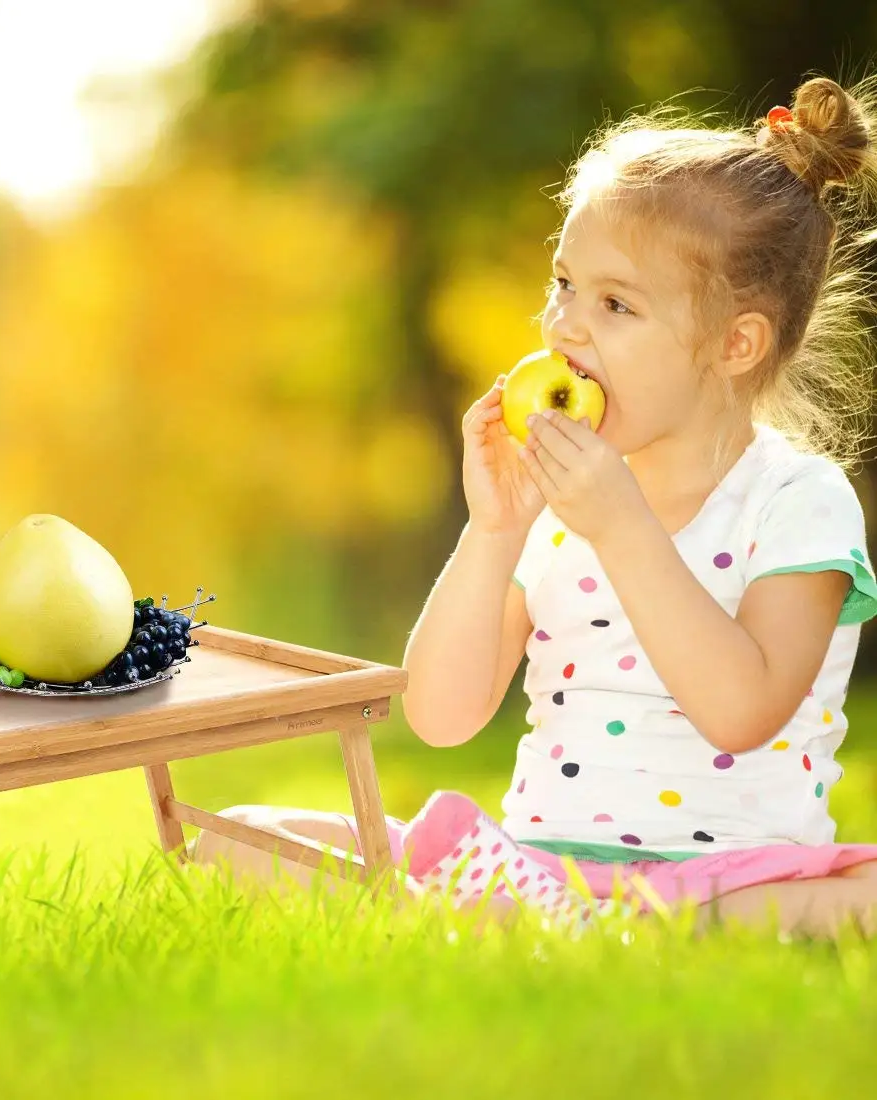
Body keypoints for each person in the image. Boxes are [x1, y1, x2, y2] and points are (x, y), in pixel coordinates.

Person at [190, 74, 877, 937]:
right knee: (239, 841)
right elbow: (441, 718)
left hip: (726, 877)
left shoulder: (797, 500)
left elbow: (743, 711)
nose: (563, 329)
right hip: (537, 866)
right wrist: (495, 530)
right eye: (564, 285)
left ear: (736, 345)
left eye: (615, 304)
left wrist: (622, 526)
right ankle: (553, 920)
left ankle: (601, 927)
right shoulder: (555, 508)